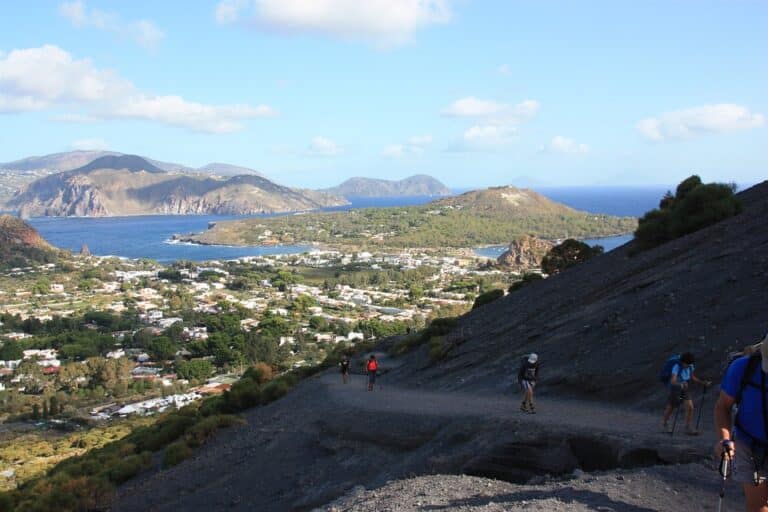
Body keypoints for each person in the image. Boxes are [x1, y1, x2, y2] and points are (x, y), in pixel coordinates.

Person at [714, 333, 768, 512]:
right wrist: (725, 439)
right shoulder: (743, 368)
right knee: (758, 507)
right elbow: (723, 406)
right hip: (748, 444)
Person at [663, 352, 710, 434]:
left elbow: (692, 377)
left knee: (690, 407)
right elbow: (673, 381)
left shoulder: (690, 366)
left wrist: (703, 382)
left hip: (685, 388)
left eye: (690, 364)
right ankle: (665, 423)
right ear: (682, 362)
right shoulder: (676, 367)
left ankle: (687, 427)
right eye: (687, 364)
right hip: (675, 389)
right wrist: (680, 384)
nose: (688, 366)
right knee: (671, 407)